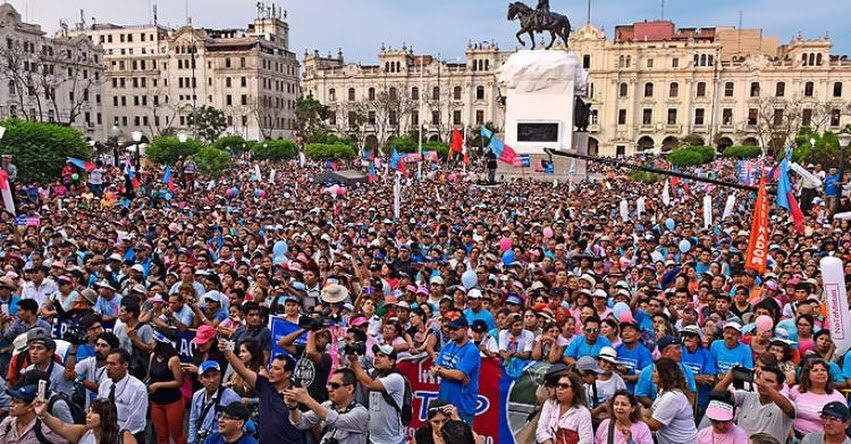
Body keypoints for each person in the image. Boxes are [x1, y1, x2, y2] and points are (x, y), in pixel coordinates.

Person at [219, 339, 301, 444]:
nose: (271, 371)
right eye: (271, 367)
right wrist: (228, 353)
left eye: (276, 369)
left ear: (288, 373)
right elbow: (243, 371)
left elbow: (310, 422)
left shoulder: (298, 393)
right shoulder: (264, 385)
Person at [285, 368, 369, 444]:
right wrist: (293, 407)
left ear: (350, 389)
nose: (329, 389)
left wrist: (307, 399)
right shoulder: (328, 405)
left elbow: (337, 420)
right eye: (329, 385)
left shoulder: (360, 413)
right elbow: (302, 422)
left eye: (335, 386)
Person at [714, 365, 795, 442]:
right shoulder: (746, 396)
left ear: (780, 387)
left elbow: (789, 410)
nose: (762, 384)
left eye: (769, 381)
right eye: (761, 379)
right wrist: (728, 378)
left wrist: (765, 386)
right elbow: (716, 396)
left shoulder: (786, 404)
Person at [347, 344, 406, 444]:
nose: (377, 358)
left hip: (392, 441)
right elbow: (352, 375)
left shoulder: (396, 378)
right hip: (373, 439)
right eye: (376, 355)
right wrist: (352, 358)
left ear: (391, 362)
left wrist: (355, 361)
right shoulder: (374, 374)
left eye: (382, 356)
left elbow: (370, 385)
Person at [429, 317, 480, 425]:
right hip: (444, 400)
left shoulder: (471, 350)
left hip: (462, 404)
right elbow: (434, 370)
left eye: (455, 329)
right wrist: (446, 372)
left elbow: (459, 375)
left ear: (465, 329)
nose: (451, 331)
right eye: (450, 329)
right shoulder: (447, 346)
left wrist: (441, 371)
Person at [33, 397, 138, 444]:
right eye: (89, 411)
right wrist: (44, 414)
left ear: (106, 415)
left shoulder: (123, 436)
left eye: (94, 412)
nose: (88, 415)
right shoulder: (83, 432)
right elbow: (61, 427)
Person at [97, 349, 148, 443]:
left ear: (125, 365)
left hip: (128, 436)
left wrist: (116, 436)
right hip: (105, 434)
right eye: (107, 363)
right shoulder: (105, 385)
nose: (108, 367)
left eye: (113, 364)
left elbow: (135, 421)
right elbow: (98, 410)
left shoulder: (138, 388)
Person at [643, 357, 696, 444]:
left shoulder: (672, 397)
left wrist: (636, 416)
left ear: (664, 375)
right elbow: (653, 412)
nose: (652, 374)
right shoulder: (664, 390)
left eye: (655, 371)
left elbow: (654, 425)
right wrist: (638, 410)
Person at [790, 358, 847, 438]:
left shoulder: (837, 396)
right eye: (815, 370)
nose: (820, 373)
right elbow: (786, 415)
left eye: (823, 370)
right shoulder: (796, 390)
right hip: (796, 437)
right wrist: (793, 439)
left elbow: (844, 422)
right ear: (807, 374)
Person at [147, 330, 187, 444]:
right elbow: (150, 376)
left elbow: (179, 382)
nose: (150, 342)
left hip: (173, 402)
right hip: (156, 402)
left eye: (153, 340)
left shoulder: (173, 359)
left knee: (177, 435)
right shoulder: (153, 356)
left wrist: (159, 385)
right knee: (161, 436)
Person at [189, 361, 242, 444]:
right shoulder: (197, 396)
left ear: (220, 375)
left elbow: (240, 427)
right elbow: (193, 421)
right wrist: (192, 442)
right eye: (207, 377)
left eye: (215, 375)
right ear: (200, 379)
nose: (212, 380)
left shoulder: (232, 398)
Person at [535, 371, 593, 444]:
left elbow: (587, 441)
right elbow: (540, 431)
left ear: (574, 390)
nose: (560, 388)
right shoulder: (549, 404)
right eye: (558, 385)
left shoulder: (583, 412)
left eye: (564, 386)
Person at [0, 383, 65, 443]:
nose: (11, 404)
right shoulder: (7, 423)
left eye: (17, 402)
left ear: (30, 407)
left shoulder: (45, 428)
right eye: (12, 400)